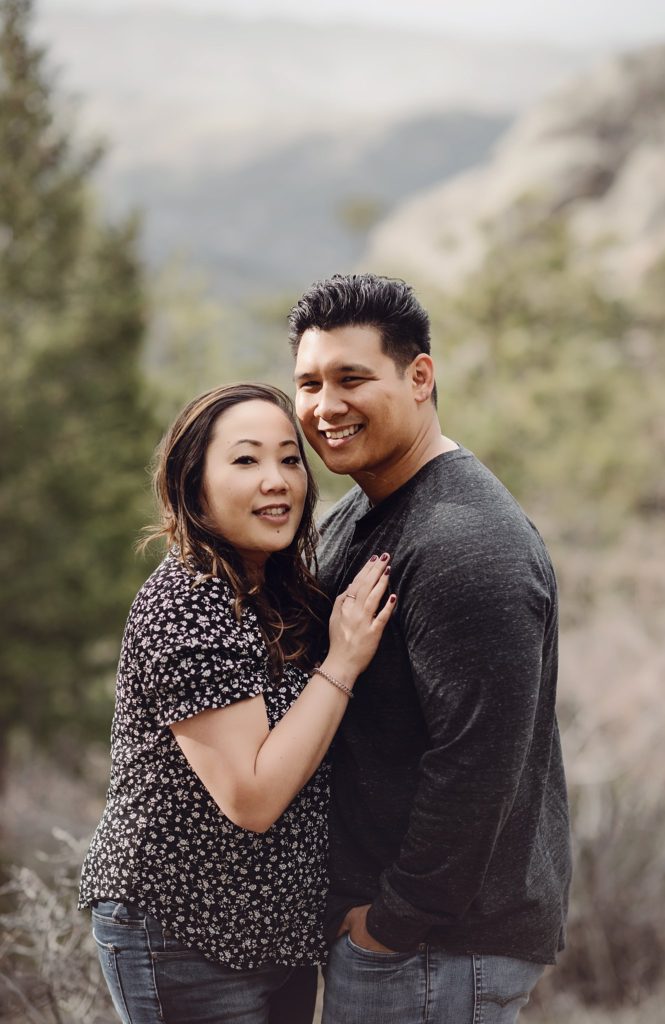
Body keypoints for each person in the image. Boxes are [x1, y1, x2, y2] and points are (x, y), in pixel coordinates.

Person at [289, 274, 572, 1024]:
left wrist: (391, 924)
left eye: (352, 378)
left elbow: (478, 765)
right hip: (410, 946)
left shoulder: (466, 545)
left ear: (420, 377)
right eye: (309, 383)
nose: (325, 406)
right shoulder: (367, 508)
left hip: (437, 952)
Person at [79, 382, 396, 1024]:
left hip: (275, 935)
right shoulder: (185, 603)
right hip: (182, 933)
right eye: (246, 460)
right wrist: (342, 661)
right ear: (193, 484)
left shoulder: (278, 591)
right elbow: (251, 798)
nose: (276, 481)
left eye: (288, 459)